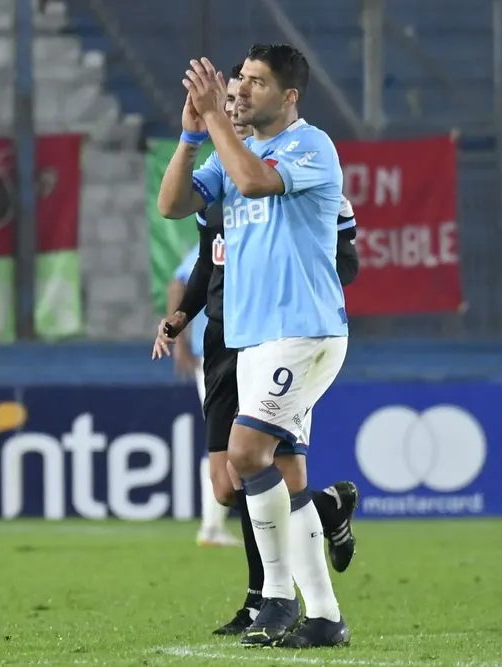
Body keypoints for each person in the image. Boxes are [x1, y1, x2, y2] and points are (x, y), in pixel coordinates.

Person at [156, 44, 351, 648]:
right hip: (254, 338)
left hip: (300, 330)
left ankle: (273, 600)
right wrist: (191, 137)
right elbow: (172, 205)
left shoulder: (308, 145)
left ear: (289, 96)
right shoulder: (231, 150)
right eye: (239, 81)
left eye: (257, 83)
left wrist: (215, 116)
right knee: (283, 474)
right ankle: (321, 615)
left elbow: (253, 181)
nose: (242, 91)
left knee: (243, 457)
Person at [167, 246, 242, 548]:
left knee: (234, 437)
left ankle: (213, 525)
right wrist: (179, 340)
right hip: (215, 355)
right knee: (227, 438)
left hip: (241, 351)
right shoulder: (220, 234)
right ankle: (211, 525)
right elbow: (179, 282)